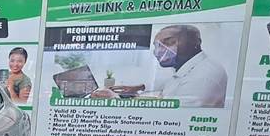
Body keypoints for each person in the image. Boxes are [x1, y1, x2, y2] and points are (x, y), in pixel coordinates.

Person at [90, 25, 227, 107]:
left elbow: (170, 118)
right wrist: (138, 89)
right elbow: (167, 91)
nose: (160, 51)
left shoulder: (203, 76)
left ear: (195, 42)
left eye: (169, 42)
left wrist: (114, 99)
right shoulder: (189, 68)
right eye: (157, 46)